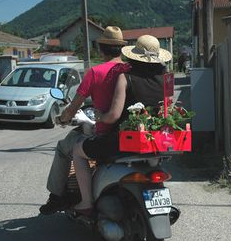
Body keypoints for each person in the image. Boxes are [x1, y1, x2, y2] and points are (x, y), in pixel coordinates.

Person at [72, 35, 172, 214]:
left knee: (78, 151)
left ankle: (86, 202)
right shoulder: (167, 77)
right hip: (157, 141)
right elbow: (168, 111)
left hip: (127, 140)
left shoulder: (125, 77)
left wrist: (99, 116)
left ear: (134, 56)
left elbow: (113, 116)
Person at [39, 26, 129, 215]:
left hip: (103, 132)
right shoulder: (129, 70)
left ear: (101, 48)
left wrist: (63, 118)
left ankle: (57, 198)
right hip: (126, 132)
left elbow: (74, 105)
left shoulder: (95, 72)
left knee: (64, 147)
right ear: (121, 48)